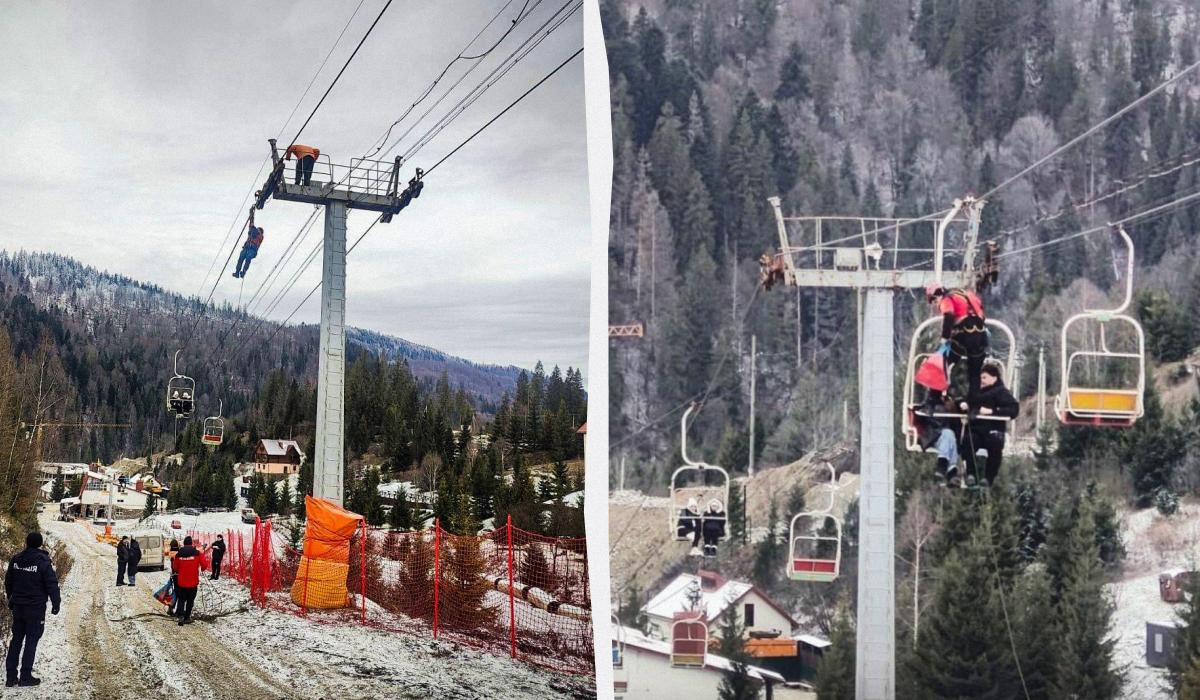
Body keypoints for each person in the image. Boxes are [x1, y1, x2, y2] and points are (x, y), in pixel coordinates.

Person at [5, 532, 60, 687]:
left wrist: (12, 599)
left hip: (18, 607)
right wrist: (56, 603)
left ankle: (10, 677)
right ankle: (25, 676)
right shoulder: (42, 562)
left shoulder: (16, 559)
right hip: (35, 609)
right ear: (40, 544)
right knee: (31, 641)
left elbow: (8, 581)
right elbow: (51, 584)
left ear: (27, 542)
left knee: (16, 641)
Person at [959, 364, 1020, 488]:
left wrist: (992, 411)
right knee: (969, 440)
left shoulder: (1001, 392)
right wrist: (963, 404)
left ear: (994, 378)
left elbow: (1013, 409)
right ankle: (971, 473)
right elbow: (964, 399)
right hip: (977, 430)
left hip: (993, 430)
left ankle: (988, 477)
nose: (982, 381)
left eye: (984, 378)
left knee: (994, 444)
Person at [925, 284, 989, 400]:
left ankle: (933, 399)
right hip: (980, 336)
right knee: (974, 373)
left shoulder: (946, 300)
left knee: (940, 363)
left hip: (963, 336)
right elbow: (981, 312)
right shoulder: (968, 296)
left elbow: (949, 315)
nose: (935, 304)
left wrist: (945, 337)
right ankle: (974, 404)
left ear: (937, 296)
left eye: (934, 300)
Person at [172, 536, 202, 625]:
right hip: (193, 582)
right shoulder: (197, 553)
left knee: (181, 599)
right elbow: (204, 564)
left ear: (184, 544)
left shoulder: (178, 554)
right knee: (190, 600)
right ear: (191, 543)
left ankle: (180, 616)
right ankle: (187, 617)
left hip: (182, 582)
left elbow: (175, 567)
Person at [166, 538, 180, 616]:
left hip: (174, 574)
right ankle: (173, 607)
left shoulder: (171, 553)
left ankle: (171, 607)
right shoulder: (179, 553)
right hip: (178, 574)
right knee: (178, 592)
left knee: (175, 591)